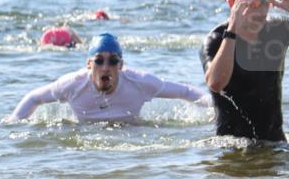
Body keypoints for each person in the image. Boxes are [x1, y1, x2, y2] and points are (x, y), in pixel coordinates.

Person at [202, 0, 289, 142]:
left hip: (276, 145)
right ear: (233, 4)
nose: (260, 11)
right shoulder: (216, 39)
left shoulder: (279, 29)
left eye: (265, 2)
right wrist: (232, 30)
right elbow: (216, 83)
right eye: (252, 4)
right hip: (233, 151)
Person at [12, 33, 210, 123]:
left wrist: (215, 110)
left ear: (121, 65)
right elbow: (33, 98)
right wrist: (13, 124)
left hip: (131, 141)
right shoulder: (72, 84)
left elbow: (186, 91)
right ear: (89, 64)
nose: (106, 67)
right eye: (99, 61)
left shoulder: (140, 82)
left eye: (113, 61)